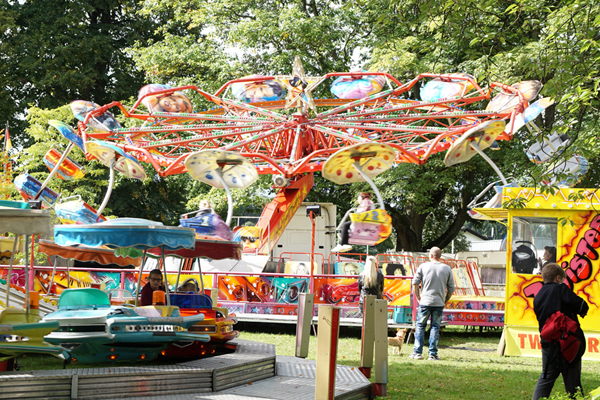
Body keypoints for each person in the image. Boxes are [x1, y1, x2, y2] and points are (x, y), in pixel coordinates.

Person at [532, 263, 588, 400]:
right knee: (572, 381)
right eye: (562, 279)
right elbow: (582, 306)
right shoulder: (561, 289)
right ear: (558, 278)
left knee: (546, 377)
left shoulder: (538, 295)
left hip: (548, 344)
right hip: (567, 343)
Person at [410, 247, 455, 361]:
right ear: (440, 256)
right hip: (439, 302)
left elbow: (415, 282)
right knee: (435, 327)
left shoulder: (423, 266)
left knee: (420, 326)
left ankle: (417, 353)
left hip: (425, 301)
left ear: (430, 255)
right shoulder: (447, 268)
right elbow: (451, 289)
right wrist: (445, 301)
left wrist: (418, 296)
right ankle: (433, 354)